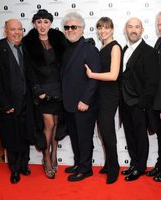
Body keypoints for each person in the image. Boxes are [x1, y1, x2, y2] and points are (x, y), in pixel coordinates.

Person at [0, 19, 34, 184]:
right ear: (5, 31)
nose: (17, 32)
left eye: (20, 29)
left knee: (25, 134)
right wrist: (4, 104)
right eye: (13, 29)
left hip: (26, 102)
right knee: (12, 137)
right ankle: (14, 170)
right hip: (9, 104)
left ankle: (24, 165)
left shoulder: (26, 48)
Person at [23, 9, 68, 179]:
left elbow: (66, 62)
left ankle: (54, 153)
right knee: (48, 124)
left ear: (50, 23)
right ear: (34, 23)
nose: (42, 25)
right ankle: (46, 158)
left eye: (46, 22)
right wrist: (37, 90)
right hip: (42, 90)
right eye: (39, 22)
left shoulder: (58, 39)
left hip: (59, 88)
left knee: (56, 123)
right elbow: (29, 69)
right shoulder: (29, 42)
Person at [61, 12, 101, 182]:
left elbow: (95, 77)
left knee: (84, 138)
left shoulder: (89, 49)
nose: (70, 30)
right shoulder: (66, 48)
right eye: (67, 27)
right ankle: (79, 163)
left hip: (84, 104)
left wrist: (85, 100)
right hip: (69, 103)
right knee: (76, 137)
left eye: (74, 27)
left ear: (82, 29)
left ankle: (86, 169)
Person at [120, 17, 159, 181]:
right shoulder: (123, 49)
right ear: (126, 30)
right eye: (130, 27)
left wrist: (142, 104)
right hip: (124, 103)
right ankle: (134, 163)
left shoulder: (149, 52)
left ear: (142, 30)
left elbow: (152, 82)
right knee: (129, 135)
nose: (133, 30)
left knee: (140, 137)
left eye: (137, 27)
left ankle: (141, 167)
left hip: (139, 104)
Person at [85, 17, 121, 184]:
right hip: (100, 94)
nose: (103, 31)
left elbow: (113, 75)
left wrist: (92, 75)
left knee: (107, 132)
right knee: (102, 132)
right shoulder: (103, 47)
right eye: (100, 28)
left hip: (110, 95)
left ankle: (114, 168)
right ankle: (109, 163)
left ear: (112, 29)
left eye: (106, 28)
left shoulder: (115, 47)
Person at [146, 11, 161, 182]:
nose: (159, 27)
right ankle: (159, 164)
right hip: (156, 99)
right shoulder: (158, 41)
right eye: (158, 23)